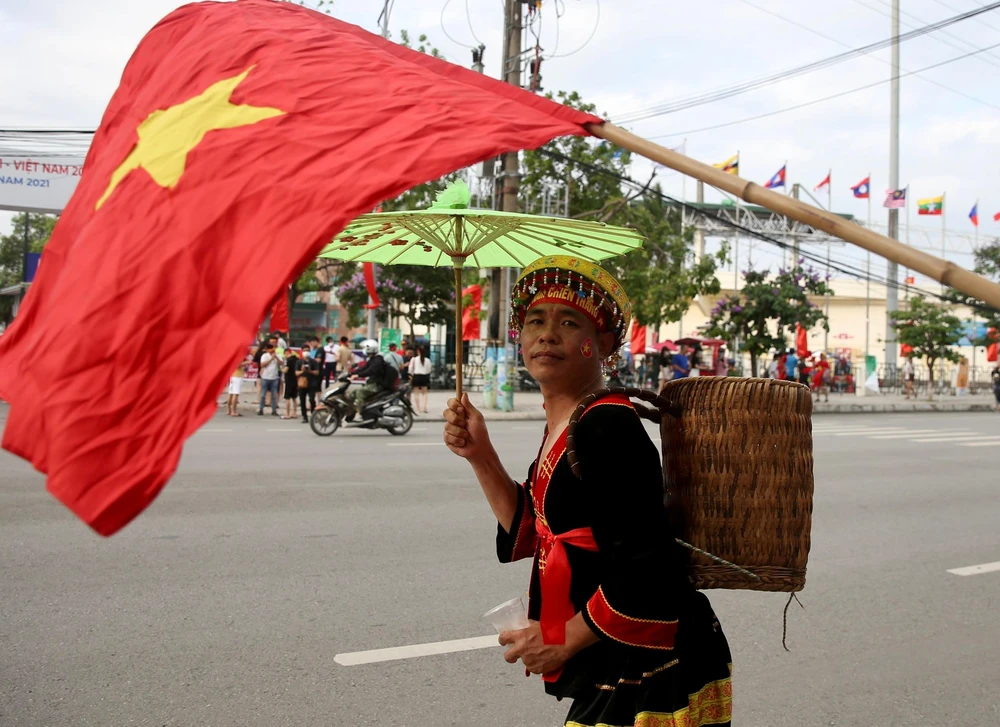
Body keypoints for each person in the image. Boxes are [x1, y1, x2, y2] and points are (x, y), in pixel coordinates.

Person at [443, 255, 732, 727]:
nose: (547, 334)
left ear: (603, 344)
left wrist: (559, 639)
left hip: (651, 670)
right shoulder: (570, 422)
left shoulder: (606, 426)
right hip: (617, 658)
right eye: (535, 321)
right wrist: (481, 455)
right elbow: (540, 528)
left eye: (568, 322)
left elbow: (648, 566)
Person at [348, 339, 396, 417]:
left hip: (377, 385)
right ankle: (349, 412)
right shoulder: (373, 359)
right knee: (352, 393)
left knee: (360, 392)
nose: (364, 350)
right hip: (372, 383)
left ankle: (359, 414)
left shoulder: (378, 360)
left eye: (365, 348)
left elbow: (370, 371)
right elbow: (364, 368)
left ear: (370, 348)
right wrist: (351, 373)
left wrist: (358, 375)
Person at [299, 339, 322, 422]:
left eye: (308, 351)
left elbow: (317, 372)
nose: (306, 352)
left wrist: (310, 371)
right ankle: (304, 416)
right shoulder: (299, 362)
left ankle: (313, 414)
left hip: (312, 383)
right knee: (302, 400)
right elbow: (296, 373)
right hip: (302, 383)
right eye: (305, 351)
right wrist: (302, 370)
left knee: (312, 399)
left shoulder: (314, 362)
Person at [256, 342, 281, 416]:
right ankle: (261, 409)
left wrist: (276, 357)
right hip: (265, 377)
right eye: (270, 349)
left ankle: (274, 410)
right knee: (263, 394)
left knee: (274, 395)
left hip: (274, 377)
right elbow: (262, 365)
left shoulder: (277, 355)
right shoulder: (264, 356)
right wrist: (271, 359)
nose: (272, 350)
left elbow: (281, 363)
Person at [409, 345, 432, 414]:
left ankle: (418, 409)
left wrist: (411, 374)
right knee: (424, 393)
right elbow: (429, 370)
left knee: (416, 393)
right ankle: (424, 407)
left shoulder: (414, 359)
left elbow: (410, 369)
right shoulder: (427, 360)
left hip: (416, 376)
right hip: (424, 376)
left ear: (418, 351)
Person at [281, 348, 299, 420]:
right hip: (295, 380)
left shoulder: (289, 360)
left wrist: (281, 368)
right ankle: (295, 413)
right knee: (294, 398)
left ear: (287, 353)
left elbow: (285, 370)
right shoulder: (296, 359)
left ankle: (287, 414)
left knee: (287, 397)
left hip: (289, 381)